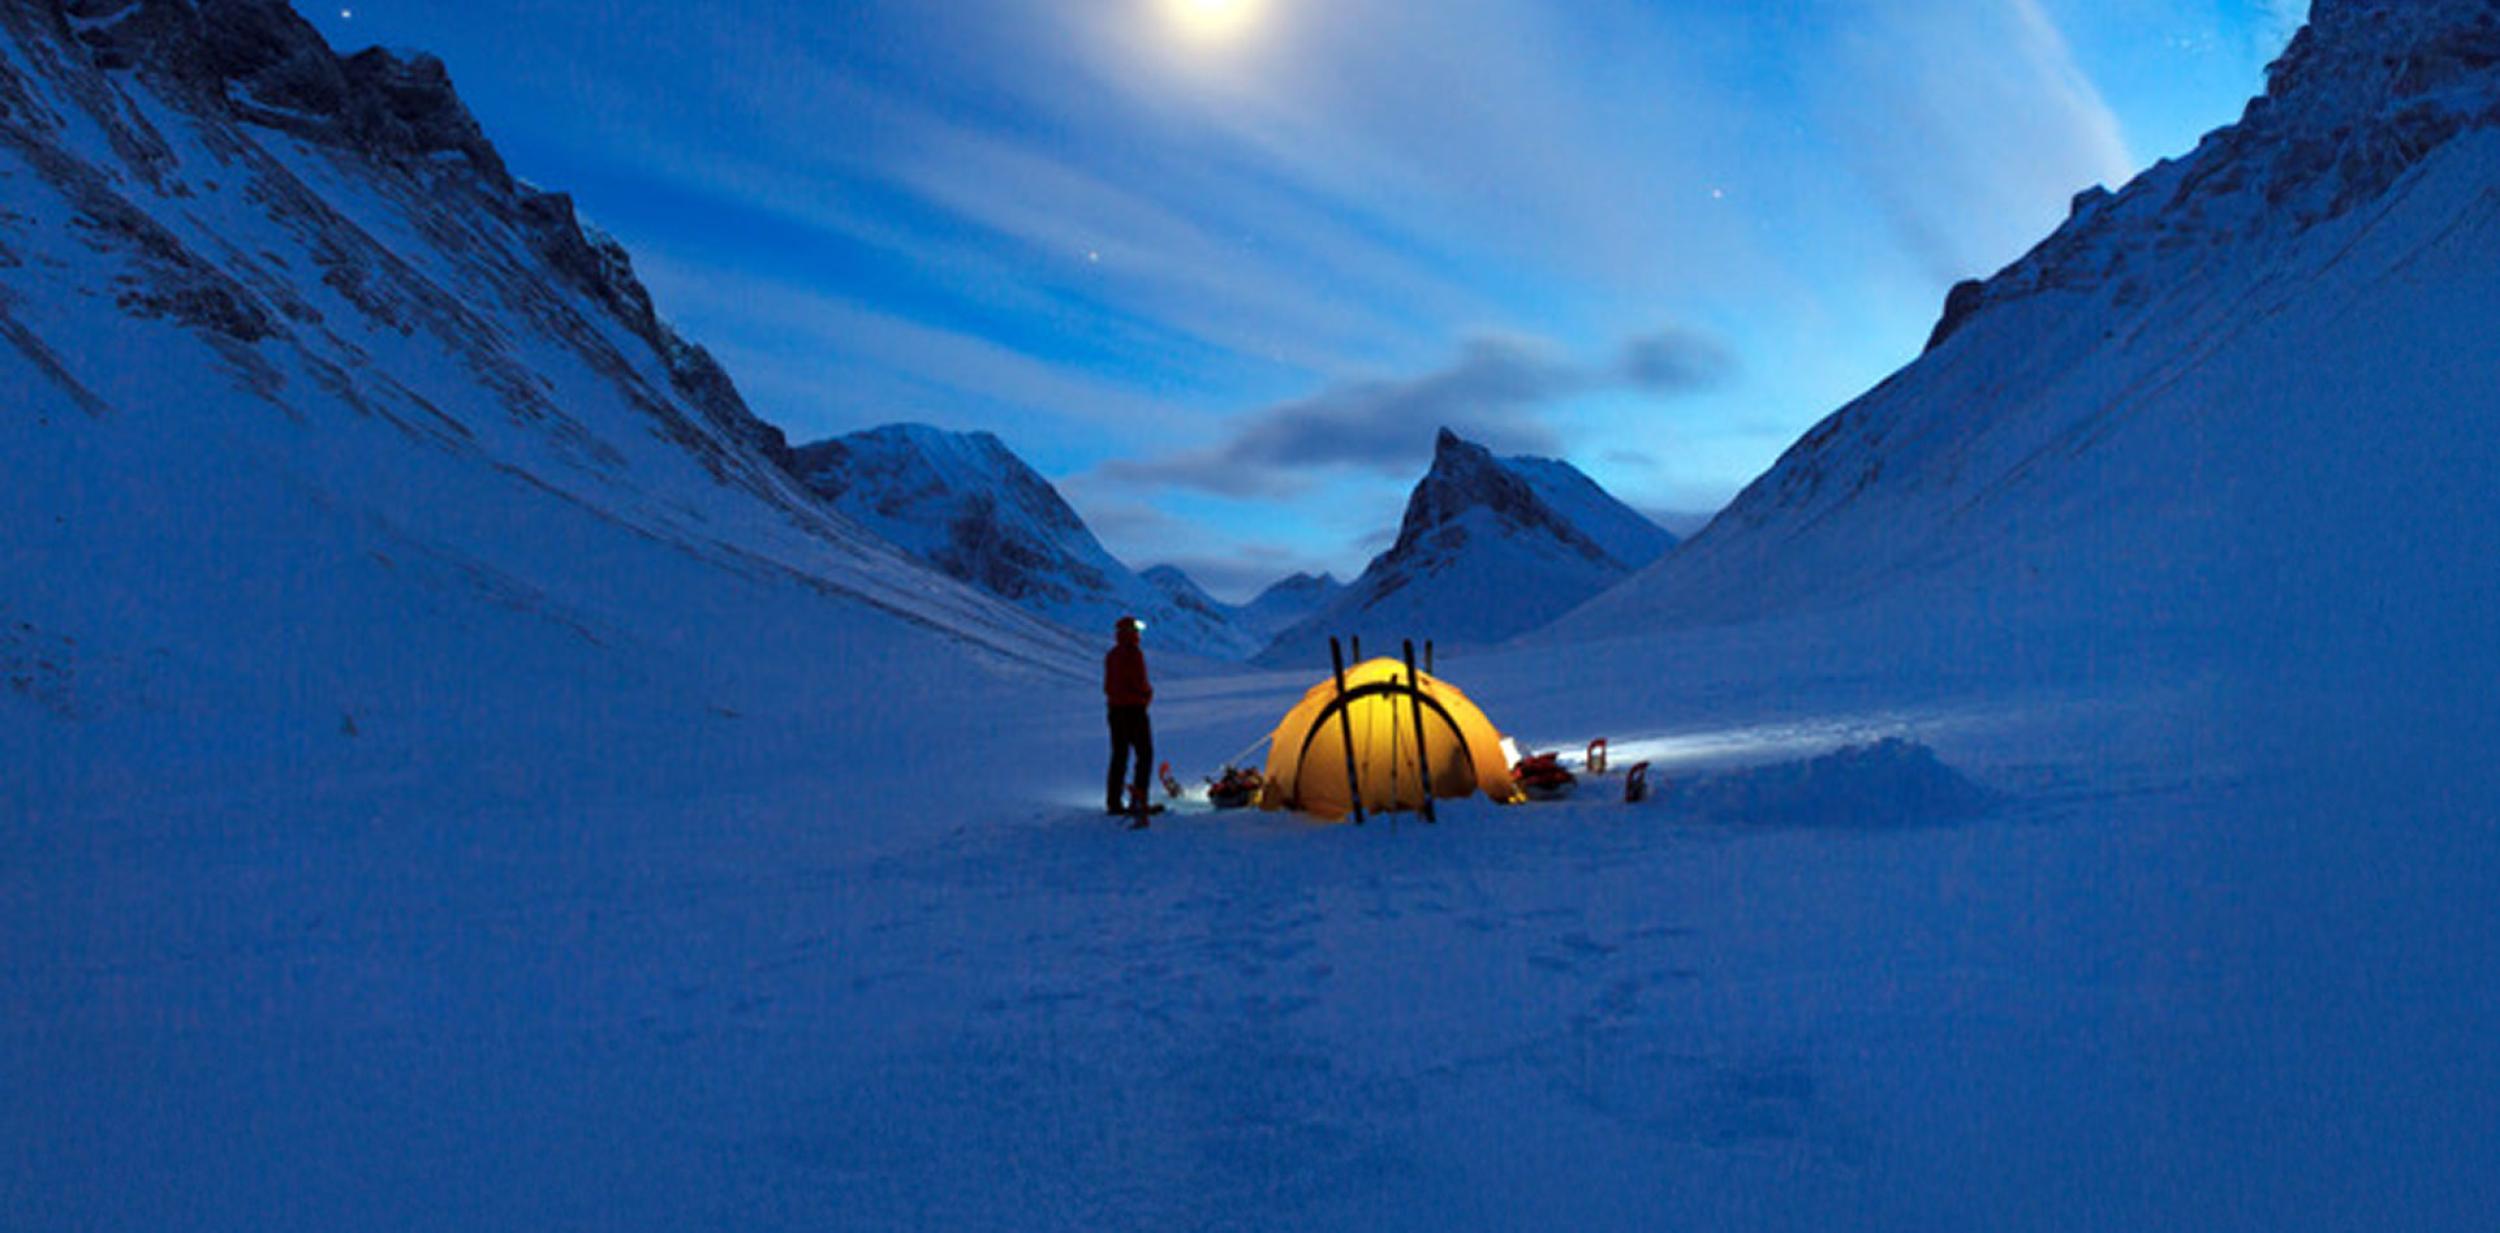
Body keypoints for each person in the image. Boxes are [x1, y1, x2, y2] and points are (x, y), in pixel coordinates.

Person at [1104, 615, 1155, 828]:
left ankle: (1114, 801)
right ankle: (1139, 799)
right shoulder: (1134, 654)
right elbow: (1140, 681)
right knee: (1144, 754)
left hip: (1115, 710)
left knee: (1119, 755)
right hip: (1134, 710)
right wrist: (1146, 695)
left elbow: (1107, 685)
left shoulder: (1112, 654)